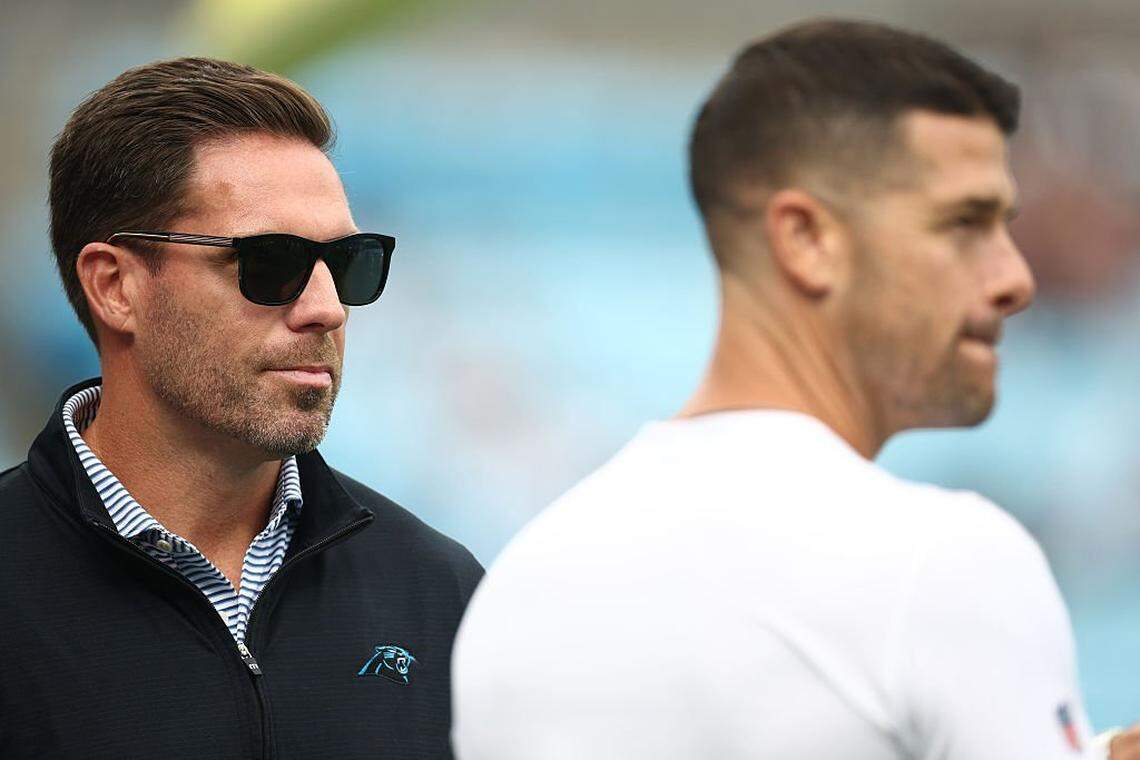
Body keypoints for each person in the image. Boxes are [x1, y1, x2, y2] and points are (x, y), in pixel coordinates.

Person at [452, 20, 1134, 760]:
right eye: (964, 225)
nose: (1014, 278)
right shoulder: (943, 564)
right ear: (807, 240)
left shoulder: (514, 588)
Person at [0, 58, 481, 759]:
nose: (326, 308)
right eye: (271, 262)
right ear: (115, 287)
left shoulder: (438, 590)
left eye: (349, 264)